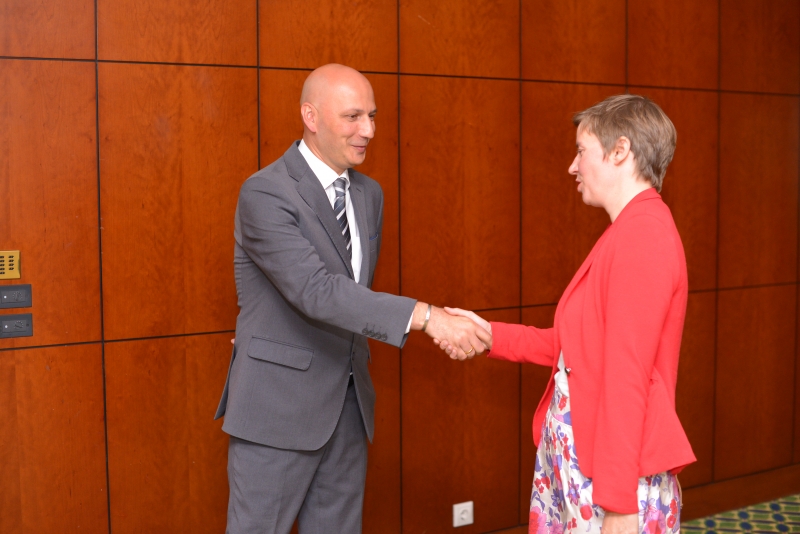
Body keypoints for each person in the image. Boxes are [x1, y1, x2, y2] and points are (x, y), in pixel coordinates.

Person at [215, 63, 490, 534]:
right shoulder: (265, 192)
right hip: (276, 411)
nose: (369, 131)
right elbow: (318, 291)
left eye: (372, 116)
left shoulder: (368, 194)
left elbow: (353, 295)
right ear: (311, 116)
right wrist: (427, 317)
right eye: (353, 117)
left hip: (347, 407)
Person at [438, 95, 696, 534]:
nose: (572, 167)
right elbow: (577, 348)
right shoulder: (627, 229)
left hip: (608, 478)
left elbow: (627, 375)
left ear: (620, 151)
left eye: (581, 151)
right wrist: (488, 334)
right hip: (585, 462)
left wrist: (619, 504)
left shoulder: (643, 235)